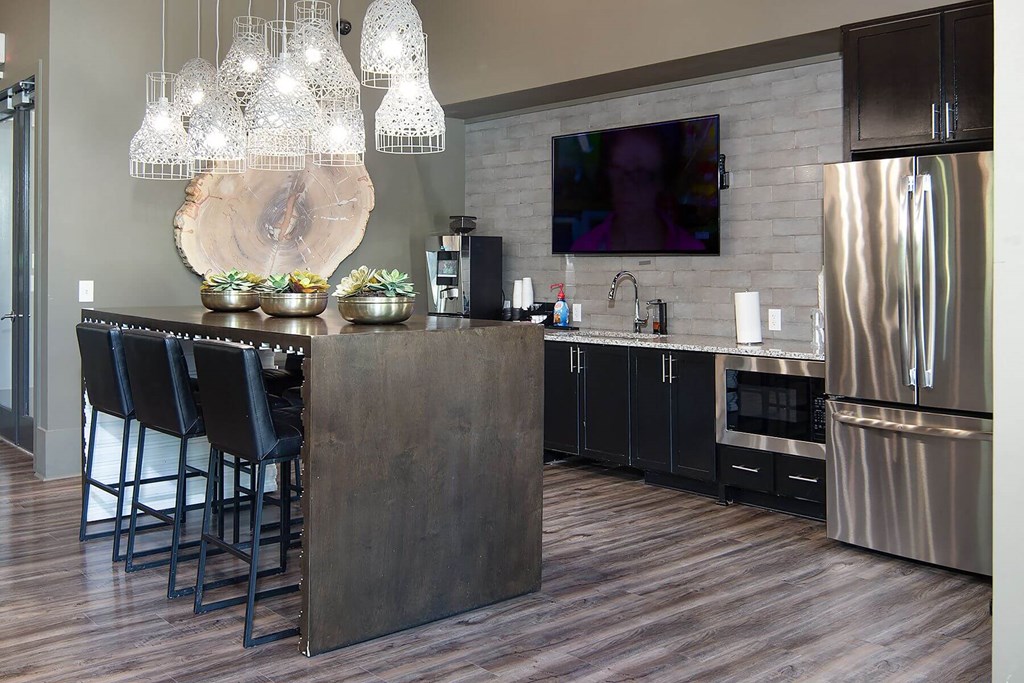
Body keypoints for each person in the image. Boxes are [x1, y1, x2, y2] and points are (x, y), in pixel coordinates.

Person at [570, 127, 706, 252]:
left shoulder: (692, 253)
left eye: (640, 174)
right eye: (617, 171)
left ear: (663, 179)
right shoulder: (583, 249)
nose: (626, 187)